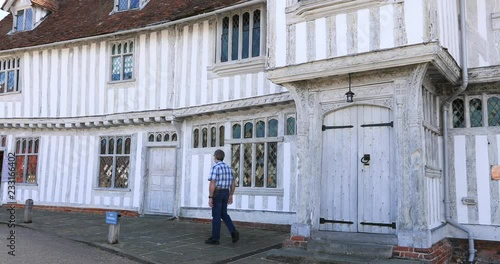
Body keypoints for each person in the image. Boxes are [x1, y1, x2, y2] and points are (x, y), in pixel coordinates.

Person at [205, 149, 239, 245]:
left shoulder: (215, 167)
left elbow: (212, 183)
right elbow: (233, 183)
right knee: (224, 214)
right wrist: (231, 195)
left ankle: (215, 239)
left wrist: (210, 197)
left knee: (216, 216)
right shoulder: (229, 168)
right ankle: (233, 232)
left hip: (218, 192)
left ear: (215, 157)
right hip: (226, 192)